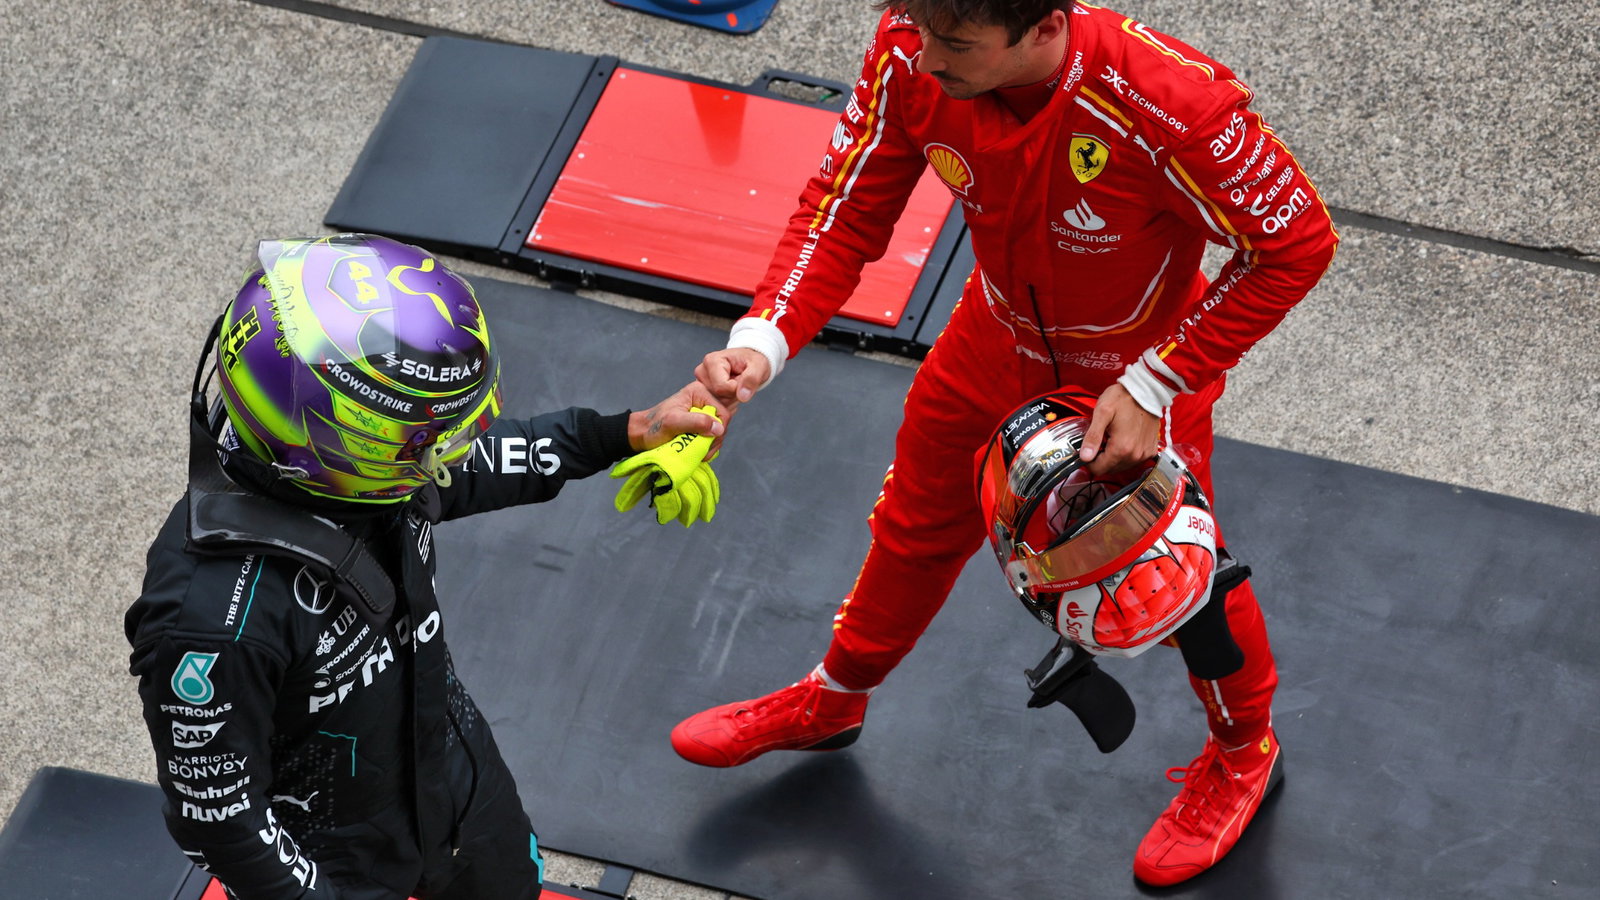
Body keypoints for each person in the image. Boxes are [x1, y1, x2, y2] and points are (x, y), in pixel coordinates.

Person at [667, 0, 1338, 885]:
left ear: (1043, 27)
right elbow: (844, 213)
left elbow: (1297, 243)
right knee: (911, 526)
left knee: (1180, 579)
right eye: (920, 26)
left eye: (956, 42)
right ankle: (835, 699)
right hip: (990, 342)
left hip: (1132, 385)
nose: (925, 54)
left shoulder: (1169, 102)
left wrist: (1157, 382)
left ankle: (1244, 751)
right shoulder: (913, 47)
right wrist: (758, 343)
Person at [126, 234, 721, 900]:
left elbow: (474, 465)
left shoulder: (368, 470)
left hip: (459, 784)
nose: (444, 457)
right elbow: (219, 817)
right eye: (421, 442)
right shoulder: (208, 619)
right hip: (338, 864)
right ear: (340, 436)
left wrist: (625, 432)